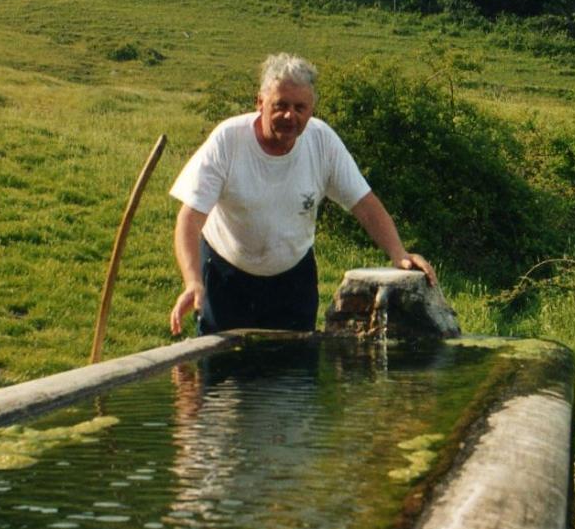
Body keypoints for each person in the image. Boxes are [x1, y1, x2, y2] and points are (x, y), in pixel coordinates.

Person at [169, 53, 436, 335]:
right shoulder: (228, 140)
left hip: (293, 280)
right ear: (260, 103)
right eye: (280, 105)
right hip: (226, 276)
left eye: (300, 107)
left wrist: (398, 252)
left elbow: (365, 205)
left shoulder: (322, 141)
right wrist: (193, 282)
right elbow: (190, 218)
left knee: (295, 374)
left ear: (312, 109)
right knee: (222, 372)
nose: (290, 116)